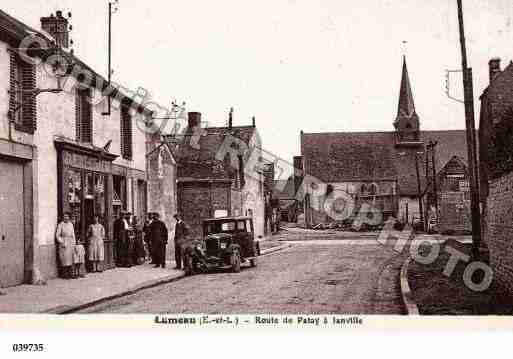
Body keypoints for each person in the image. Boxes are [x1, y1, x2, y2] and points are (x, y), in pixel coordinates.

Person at [56, 212, 75, 279]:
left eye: (67, 216)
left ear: (69, 217)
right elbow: (57, 235)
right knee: (64, 259)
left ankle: (70, 273)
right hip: (64, 242)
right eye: (64, 216)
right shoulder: (60, 225)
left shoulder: (71, 224)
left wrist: (74, 243)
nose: (66, 218)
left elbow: (73, 234)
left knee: (70, 258)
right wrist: (62, 242)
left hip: (70, 242)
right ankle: (65, 274)